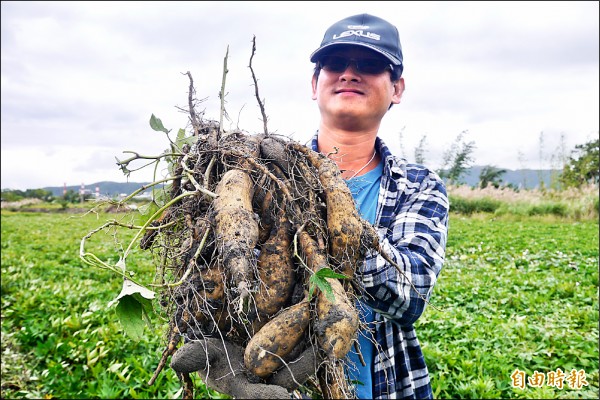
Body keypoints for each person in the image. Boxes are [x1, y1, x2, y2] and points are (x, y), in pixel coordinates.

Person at [308, 13, 449, 399]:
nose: (349, 74)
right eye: (335, 64)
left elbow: (411, 294)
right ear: (314, 83)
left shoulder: (419, 187)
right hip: (287, 383)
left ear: (397, 88)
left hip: (386, 386)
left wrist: (313, 241)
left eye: (369, 65)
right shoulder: (265, 177)